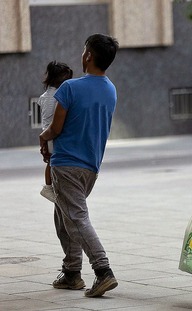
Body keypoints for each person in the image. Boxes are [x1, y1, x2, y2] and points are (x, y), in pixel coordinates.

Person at [39, 33, 119, 298]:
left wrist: (43, 136)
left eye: (85, 50)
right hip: (91, 166)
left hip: (67, 163)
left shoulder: (69, 88)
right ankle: (72, 272)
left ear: (88, 56)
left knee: (76, 217)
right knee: (65, 215)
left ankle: (103, 270)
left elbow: (55, 128)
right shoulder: (110, 89)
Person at [37, 61, 73, 203]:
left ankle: (48, 186)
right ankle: (49, 187)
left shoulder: (44, 95)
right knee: (54, 162)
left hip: (46, 133)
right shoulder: (59, 95)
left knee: (51, 162)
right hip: (54, 133)